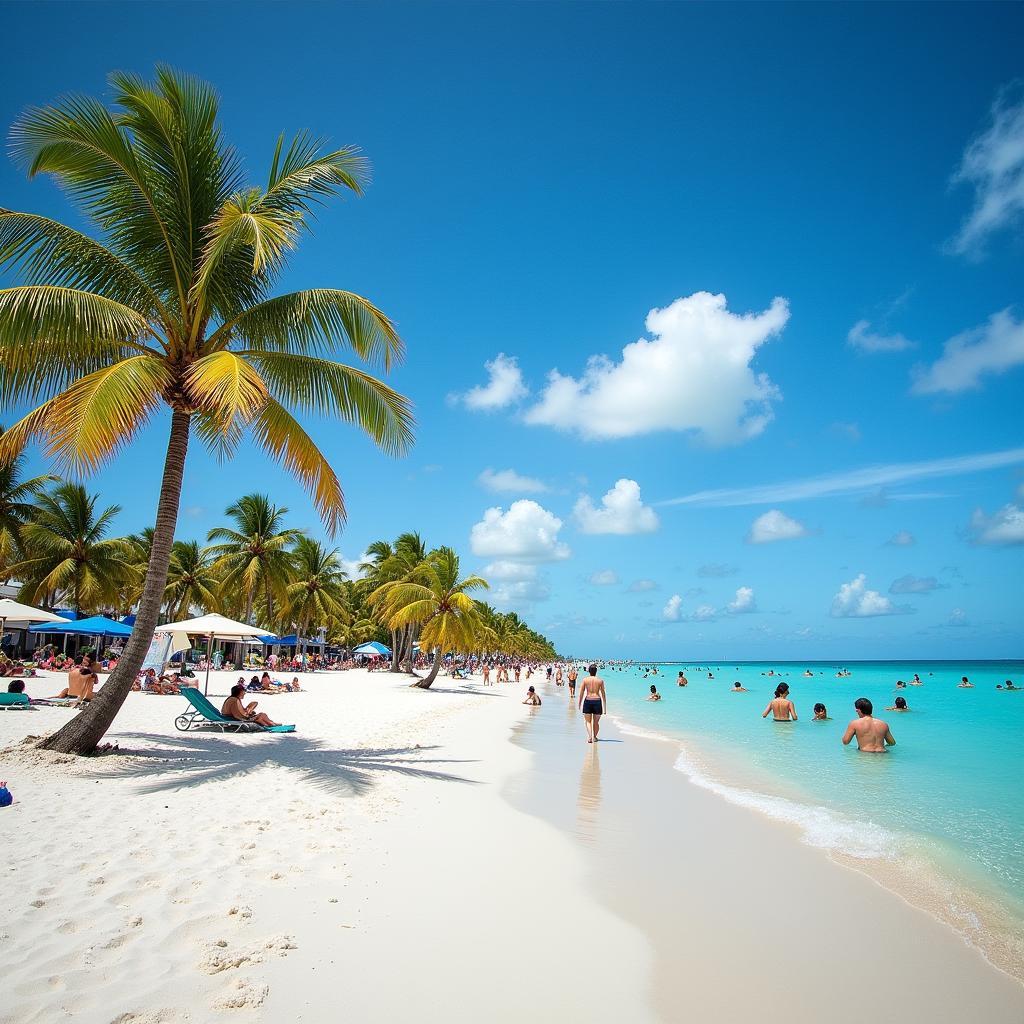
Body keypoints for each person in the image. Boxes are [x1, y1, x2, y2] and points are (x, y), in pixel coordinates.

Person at [578, 663, 606, 744]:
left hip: (588, 701)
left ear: (589, 671)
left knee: (588, 721)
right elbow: (603, 693)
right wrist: (604, 706)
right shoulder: (600, 681)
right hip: (597, 701)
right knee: (596, 722)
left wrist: (579, 703)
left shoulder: (585, 680)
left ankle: (590, 737)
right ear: (596, 671)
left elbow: (581, 692)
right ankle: (594, 737)